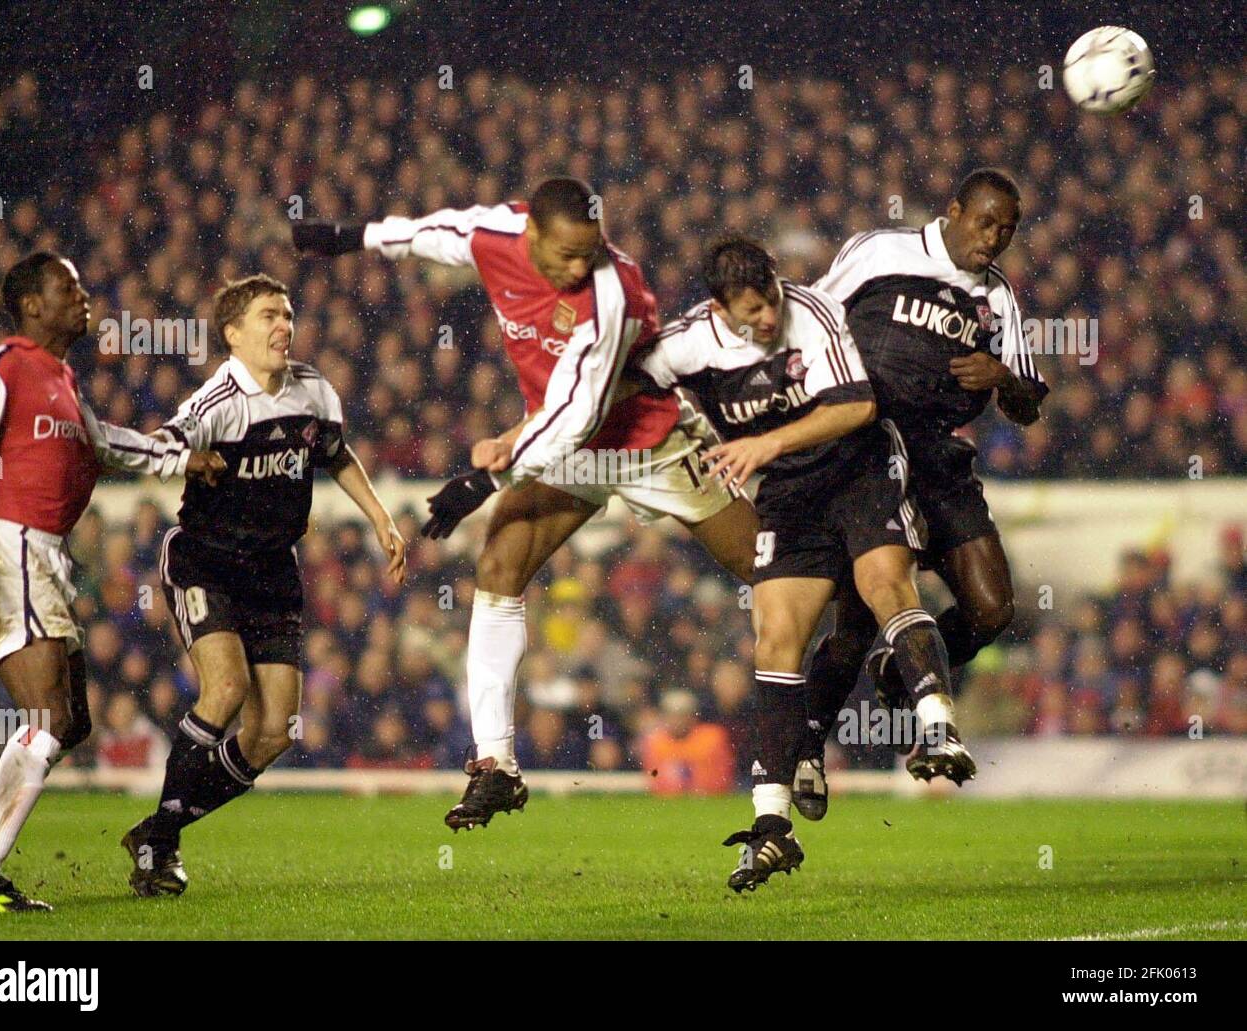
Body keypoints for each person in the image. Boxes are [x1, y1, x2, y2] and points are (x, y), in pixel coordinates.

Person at [293, 177, 757, 831]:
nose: (577, 267)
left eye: (588, 252)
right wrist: (352, 237)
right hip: (562, 444)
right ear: (531, 231)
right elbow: (434, 233)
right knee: (499, 566)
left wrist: (484, 483)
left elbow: (579, 409)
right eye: (565, 254)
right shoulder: (497, 235)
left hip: (645, 440)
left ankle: (873, 623)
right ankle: (497, 766)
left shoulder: (615, 290)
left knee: (764, 565)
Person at [635, 237, 967, 891]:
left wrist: (765, 441)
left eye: (767, 302)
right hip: (789, 490)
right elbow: (628, 389)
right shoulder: (686, 345)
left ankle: (938, 730)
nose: (764, 318)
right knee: (775, 638)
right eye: (749, 310)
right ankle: (771, 829)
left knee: (880, 583)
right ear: (719, 307)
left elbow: (856, 405)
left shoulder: (810, 313)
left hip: (860, 466)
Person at [0, 252, 223, 913]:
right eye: (67, 288)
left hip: (43, 556)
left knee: (68, 723)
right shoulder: (4, 366)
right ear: (33, 305)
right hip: (5, 546)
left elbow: (108, 445)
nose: (83, 295)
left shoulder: (60, 381)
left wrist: (183, 456)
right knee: (47, 716)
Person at [120, 273, 407, 897]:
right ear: (233, 333)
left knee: (274, 731)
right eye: (269, 316)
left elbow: (335, 454)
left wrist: (381, 517)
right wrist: (184, 456)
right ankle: (161, 848)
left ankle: (157, 827)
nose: (284, 326)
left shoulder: (312, 389)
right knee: (225, 689)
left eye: (288, 314)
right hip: (205, 562)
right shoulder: (218, 399)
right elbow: (160, 445)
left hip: (273, 571)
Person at [801, 168, 1048, 798]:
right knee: (857, 621)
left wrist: (1001, 376)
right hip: (868, 451)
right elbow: (811, 321)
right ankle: (805, 748)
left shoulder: (998, 300)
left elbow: (1026, 406)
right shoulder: (881, 251)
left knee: (993, 610)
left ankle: (896, 672)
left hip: (939, 461)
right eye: (986, 222)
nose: (994, 239)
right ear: (955, 210)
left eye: (1008, 230)